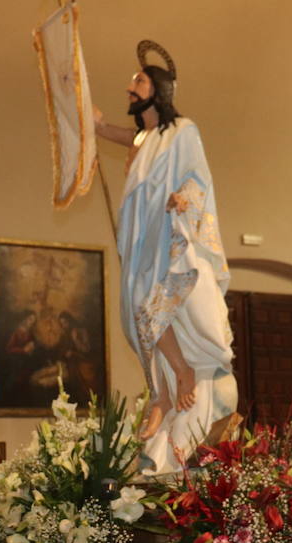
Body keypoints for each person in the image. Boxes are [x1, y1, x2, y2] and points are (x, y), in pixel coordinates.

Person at [94, 42, 237, 474]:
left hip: (169, 231)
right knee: (139, 312)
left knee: (162, 304)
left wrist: (184, 198)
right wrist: (91, 119)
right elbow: (113, 132)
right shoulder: (144, 136)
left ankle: (180, 379)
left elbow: (200, 178)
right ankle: (162, 388)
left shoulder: (183, 131)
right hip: (141, 238)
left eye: (138, 81)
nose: (129, 87)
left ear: (159, 89)